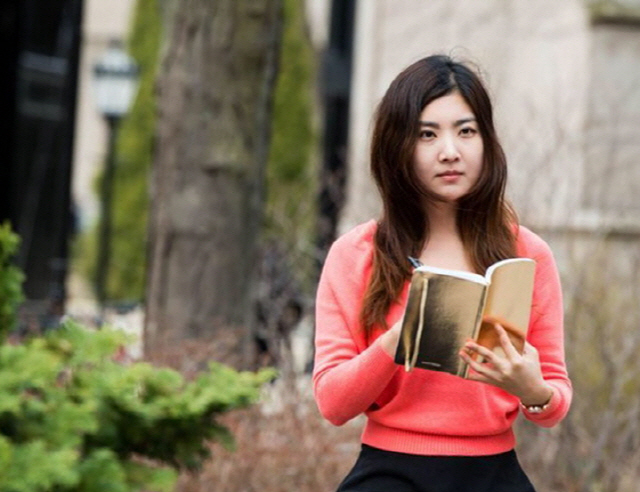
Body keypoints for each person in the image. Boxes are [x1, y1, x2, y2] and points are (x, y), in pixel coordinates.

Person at [312, 54, 572, 492]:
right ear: (398, 147)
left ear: (486, 140)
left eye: (466, 131)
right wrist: (400, 339)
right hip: (388, 474)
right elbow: (332, 403)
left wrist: (532, 390)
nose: (449, 152)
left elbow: (555, 399)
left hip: (495, 473)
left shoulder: (527, 254)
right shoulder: (357, 255)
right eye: (426, 135)